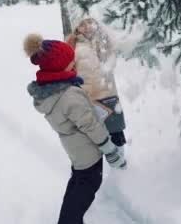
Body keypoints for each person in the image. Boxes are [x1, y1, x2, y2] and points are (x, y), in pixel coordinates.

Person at [24, 33, 126, 224]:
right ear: (60, 67)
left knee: (77, 184)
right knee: (86, 188)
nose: (74, 64)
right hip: (89, 153)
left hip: (77, 151)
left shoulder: (54, 91)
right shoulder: (70, 95)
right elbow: (90, 125)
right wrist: (110, 149)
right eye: (71, 62)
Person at [67, 18, 127, 150]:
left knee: (117, 137)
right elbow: (68, 68)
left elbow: (116, 48)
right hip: (90, 99)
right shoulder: (73, 45)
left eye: (90, 22)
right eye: (82, 24)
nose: (87, 26)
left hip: (109, 95)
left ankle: (121, 167)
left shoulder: (102, 40)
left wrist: (102, 33)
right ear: (77, 28)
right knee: (96, 140)